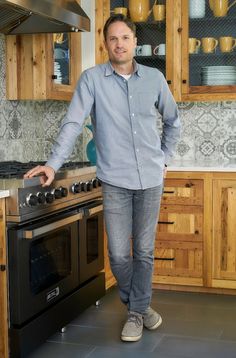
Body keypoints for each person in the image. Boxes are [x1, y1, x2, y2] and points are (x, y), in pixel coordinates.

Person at [24, 14, 180, 342]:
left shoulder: (154, 78)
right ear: (105, 43)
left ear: (135, 42)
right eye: (113, 38)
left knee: (145, 251)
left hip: (151, 178)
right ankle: (141, 305)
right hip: (115, 180)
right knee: (120, 255)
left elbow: (173, 122)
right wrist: (53, 164)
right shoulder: (92, 79)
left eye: (125, 37)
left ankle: (136, 314)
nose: (119, 43)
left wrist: (164, 158)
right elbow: (73, 123)